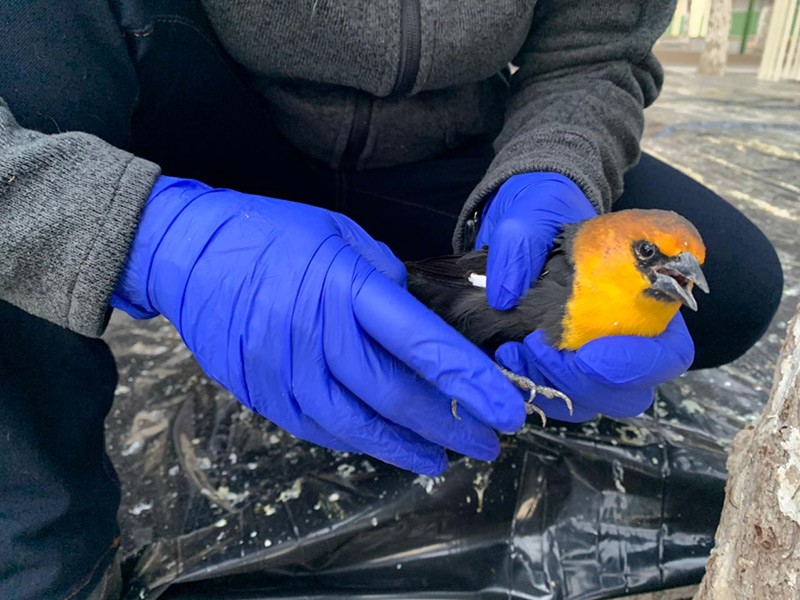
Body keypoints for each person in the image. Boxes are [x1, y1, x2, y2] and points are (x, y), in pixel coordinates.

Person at [0, 1, 782, 598]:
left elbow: (598, 47)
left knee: (741, 288)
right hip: (205, 133)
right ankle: (46, 560)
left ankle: (442, 334)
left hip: (452, 144)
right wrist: (143, 233)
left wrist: (556, 165)